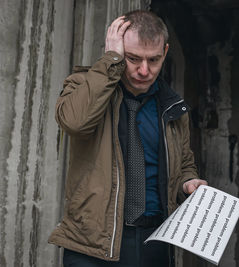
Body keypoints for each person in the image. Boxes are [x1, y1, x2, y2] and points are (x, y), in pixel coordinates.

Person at [48, 10, 207, 267]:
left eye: (154, 60)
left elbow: (184, 164)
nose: (144, 70)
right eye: (133, 59)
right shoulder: (84, 84)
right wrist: (110, 60)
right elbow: (74, 122)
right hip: (93, 246)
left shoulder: (174, 107)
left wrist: (188, 184)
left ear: (165, 53)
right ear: (118, 50)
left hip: (154, 242)